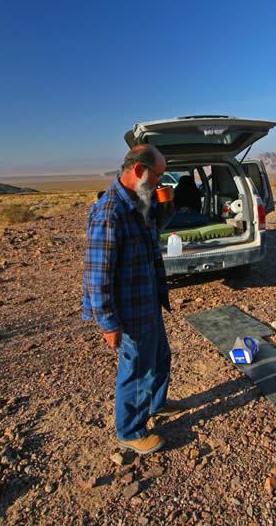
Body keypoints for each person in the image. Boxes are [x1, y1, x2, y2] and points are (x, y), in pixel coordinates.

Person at [82, 144, 183, 454]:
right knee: (137, 369)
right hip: (129, 311)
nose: (160, 182)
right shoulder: (109, 212)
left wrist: (166, 205)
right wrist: (109, 323)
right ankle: (129, 431)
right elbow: (97, 277)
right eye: (158, 175)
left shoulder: (138, 202)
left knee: (160, 357)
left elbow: (154, 229)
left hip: (147, 300)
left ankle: (155, 404)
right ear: (139, 170)